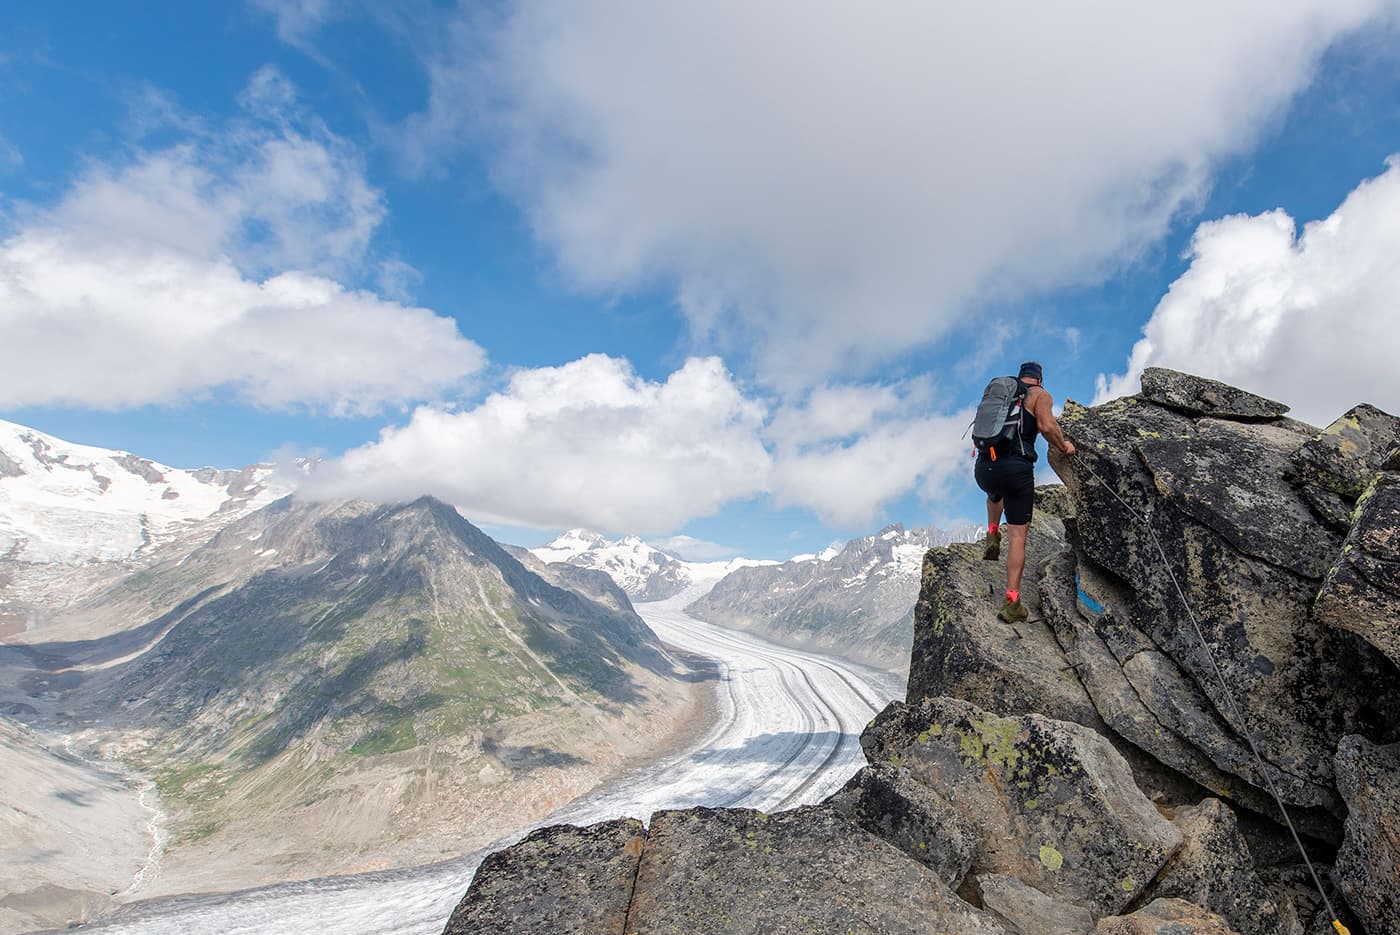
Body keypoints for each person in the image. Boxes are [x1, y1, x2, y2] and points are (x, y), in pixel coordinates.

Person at [975, 361, 1075, 623]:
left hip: (984, 467)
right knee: (1018, 536)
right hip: (1016, 469)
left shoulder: (1003, 394)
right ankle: (1012, 603)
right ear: (1039, 379)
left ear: (1020, 377)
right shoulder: (1040, 395)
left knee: (995, 493)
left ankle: (992, 534)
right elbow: (1046, 426)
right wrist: (1064, 446)